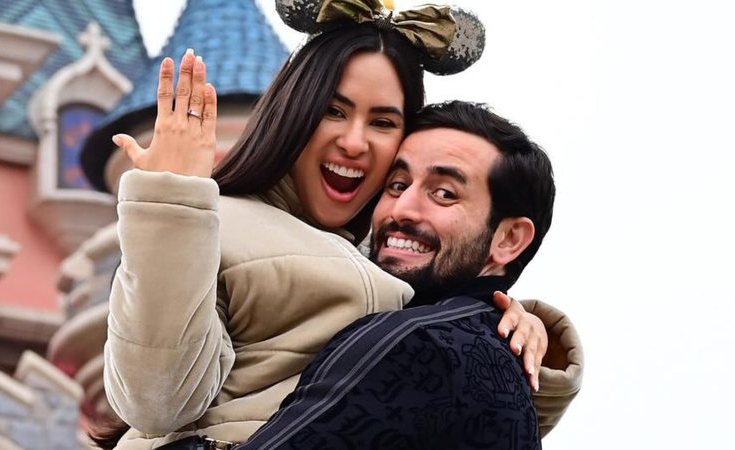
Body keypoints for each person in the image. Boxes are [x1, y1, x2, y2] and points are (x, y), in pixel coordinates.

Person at [95, 3, 580, 449]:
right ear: (293, 112)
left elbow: (458, 413)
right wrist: (171, 200)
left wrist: (501, 325)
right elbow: (157, 402)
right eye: (334, 111)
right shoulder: (208, 224)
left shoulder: (389, 256)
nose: (354, 142)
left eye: (383, 122)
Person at [230, 100, 581, 450]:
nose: (401, 209)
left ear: (509, 239)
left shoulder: (414, 344)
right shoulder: (498, 367)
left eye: (444, 194)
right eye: (397, 185)